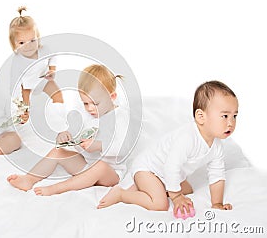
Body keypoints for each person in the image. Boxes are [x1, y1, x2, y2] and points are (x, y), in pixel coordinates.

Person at [98, 80, 237, 214]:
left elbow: (217, 175)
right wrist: (176, 196)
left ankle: (149, 188)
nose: (231, 123)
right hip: (148, 169)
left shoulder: (217, 147)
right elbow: (172, 166)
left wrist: (217, 203)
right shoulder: (187, 138)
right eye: (225, 116)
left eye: (234, 116)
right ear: (201, 117)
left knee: (188, 190)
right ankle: (122, 194)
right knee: (160, 204)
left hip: (165, 173)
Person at [7, 64, 130, 196]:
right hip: (87, 165)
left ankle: (56, 188)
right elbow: (77, 136)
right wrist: (67, 136)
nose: (89, 108)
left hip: (110, 172)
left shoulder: (120, 116)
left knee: (99, 167)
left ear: (112, 97)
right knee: (58, 152)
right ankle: (29, 179)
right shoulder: (86, 114)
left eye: (95, 103)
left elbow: (124, 148)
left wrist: (99, 146)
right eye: (85, 103)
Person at [9, 6, 64, 123]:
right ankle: (24, 119)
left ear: (38, 38)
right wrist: (17, 99)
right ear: (14, 44)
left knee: (58, 95)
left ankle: (58, 116)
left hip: (44, 80)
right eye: (22, 42)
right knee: (24, 107)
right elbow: (15, 80)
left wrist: (52, 70)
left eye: (32, 40)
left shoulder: (44, 49)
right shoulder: (17, 59)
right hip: (27, 85)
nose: (28, 46)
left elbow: (53, 56)